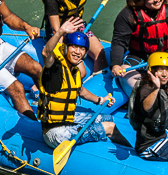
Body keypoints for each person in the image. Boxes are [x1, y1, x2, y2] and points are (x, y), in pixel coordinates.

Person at [38, 17, 130, 149]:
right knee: (110, 127)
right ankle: (130, 152)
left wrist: (101, 99)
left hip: (67, 120)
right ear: (65, 48)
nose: (77, 52)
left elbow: (80, 90)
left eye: (82, 49)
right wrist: (61, 31)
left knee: (106, 118)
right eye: (74, 47)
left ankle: (109, 146)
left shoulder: (74, 71)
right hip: (55, 133)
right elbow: (46, 52)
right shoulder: (55, 69)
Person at [41, 0, 110, 75]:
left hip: (79, 27)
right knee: (81, 72)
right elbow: (57, 30)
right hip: (60, 33)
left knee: (101, 54)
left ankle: (94, 85)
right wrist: (67, 49)